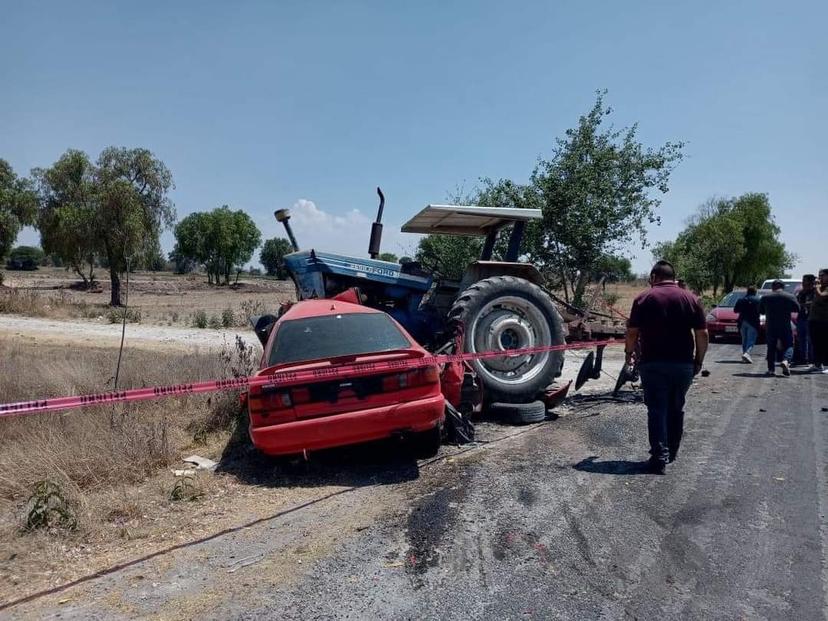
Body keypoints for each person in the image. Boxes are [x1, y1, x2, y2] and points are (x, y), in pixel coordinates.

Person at [625, 260, 708, 474]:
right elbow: (702, 334)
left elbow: (632, 332)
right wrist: (698, 360)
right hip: (682, 365)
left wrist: (628, 353)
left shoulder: (643, 298)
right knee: (676, 407)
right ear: (673, 276)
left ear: (654, 277)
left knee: (656, 409)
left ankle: (659, 457)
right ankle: (671, 451)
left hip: (653, 364)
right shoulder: (691, 299)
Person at [758, 280, 799, 376]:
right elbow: (797, 309)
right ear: (783, 287)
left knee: (771, 347)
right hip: (785, 325)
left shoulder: (765, 297)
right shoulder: (790, 296)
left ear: (772, 287)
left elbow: (761, 311)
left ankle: (771, 370)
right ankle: (786, 360)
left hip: (771, 326)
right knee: (789, 345)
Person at [733, 286, 760, 363]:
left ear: (747, 291)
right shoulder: (758, 300)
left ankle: (745, 355)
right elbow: (762, 311)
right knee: (751, 340)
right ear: (755, 292)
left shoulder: (741, 300)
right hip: (753, 322)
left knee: (744, 340)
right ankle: (747, 353)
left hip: (742, 321)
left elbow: (735, 310)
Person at [794, 275, 816, 366]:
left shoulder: (815, 292)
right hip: (801, 318)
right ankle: (803, 358)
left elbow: (813, 303)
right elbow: (797, 303)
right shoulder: (802, 292)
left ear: (811, 282)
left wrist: (803, 304)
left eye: (805, 281)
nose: (803, 282)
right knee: (801, 339)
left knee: (811, 340)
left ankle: (813, 359)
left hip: (811, 318)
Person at [809, 269, 828, 373]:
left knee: (825, 343)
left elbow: (821, 296)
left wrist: (817, 286)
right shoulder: (821, 287)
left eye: (822, 275)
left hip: (824, 321)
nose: (820, 277)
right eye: (819, 275)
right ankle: (817, 364)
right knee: (816, 344)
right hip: (815, 320)